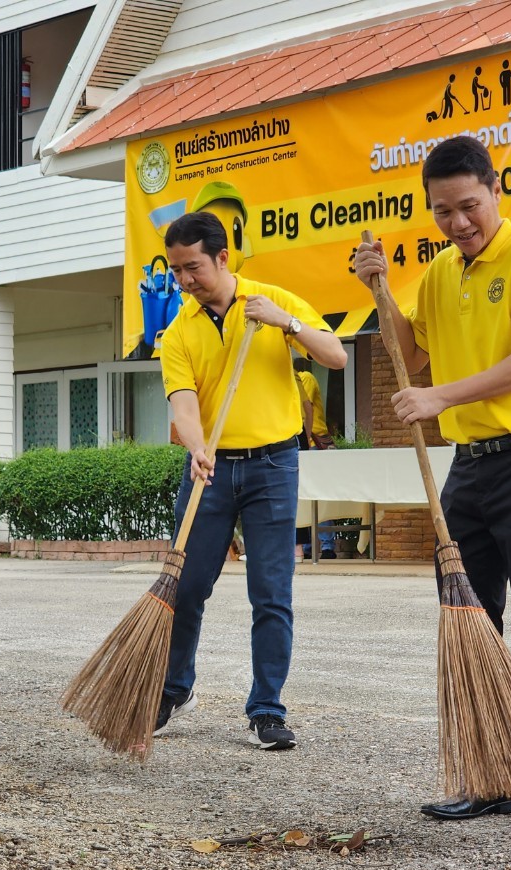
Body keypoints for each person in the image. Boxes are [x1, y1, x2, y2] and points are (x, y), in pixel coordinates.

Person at [353, 135, 511, 825]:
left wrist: (441, 398)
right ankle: (492, 778)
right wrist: (378, 290)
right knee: (469, 622)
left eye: (469, 205)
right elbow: (410, 355)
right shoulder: (438, 272)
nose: (458, 222)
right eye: (442, 211)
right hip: (469, 469)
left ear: (496, 191)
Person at [154, 211, 347, 750]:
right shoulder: (179, 331)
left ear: (222, 257)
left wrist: (287, 323)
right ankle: (174, 689)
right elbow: (183, 404)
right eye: (176, 271)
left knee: (271, 592)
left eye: (193, 267)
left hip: (273, 466)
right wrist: (197, 447)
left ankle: (266, 708)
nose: (184, 280)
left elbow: (335, 356)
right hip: (210, 468)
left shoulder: (270, 300)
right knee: (186, 586)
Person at [293, 360, 337, 561]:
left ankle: (327, 545)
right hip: (303, 442)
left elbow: (304, 407)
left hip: (313, 442)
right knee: (305, 498)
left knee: (319, 495)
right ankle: (308, 546)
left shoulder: (305, 378)